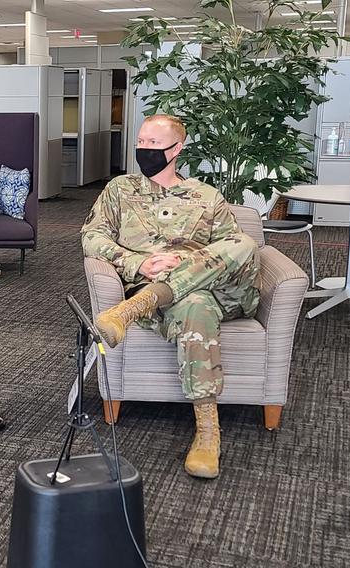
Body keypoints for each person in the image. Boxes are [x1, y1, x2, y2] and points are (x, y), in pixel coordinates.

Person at [81, 114, 260, 479]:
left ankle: (131, 309)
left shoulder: (206, 196)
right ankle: (208, 434)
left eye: (153, 144)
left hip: (220, 288)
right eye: (141, 141)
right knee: (195, 305)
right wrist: (138, 262)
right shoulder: (119, 190)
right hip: (177, 298)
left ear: (177, 148)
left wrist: (186, 261)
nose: (144, 149)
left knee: (244, 242)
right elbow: (91, 237)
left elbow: (233, 247)